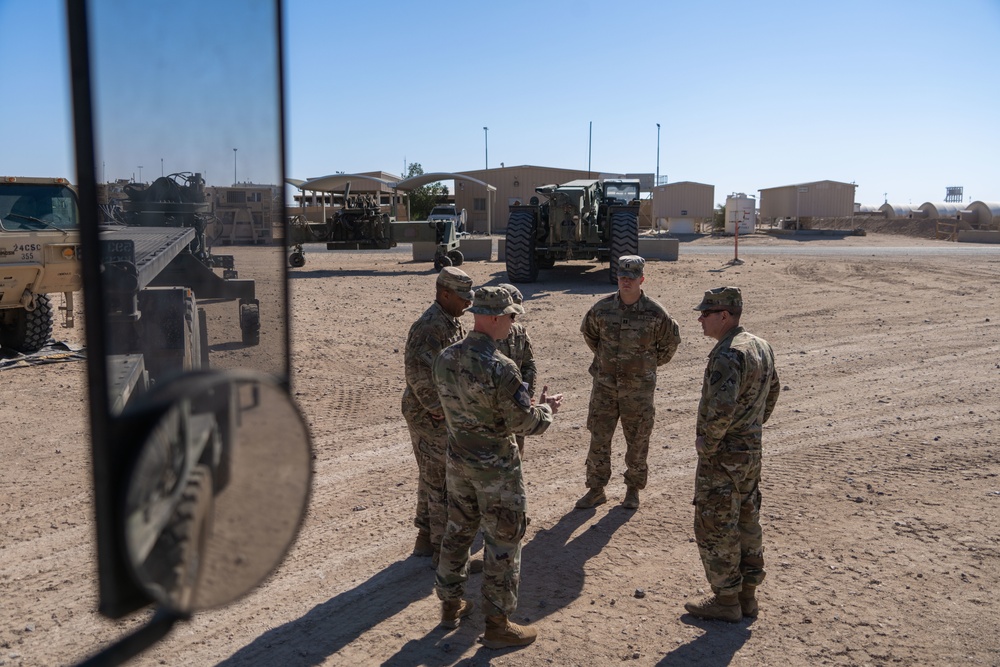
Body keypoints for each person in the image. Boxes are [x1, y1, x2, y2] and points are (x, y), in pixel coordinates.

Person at [432, 286, 563, 649]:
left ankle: (450, 604)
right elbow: (527, 424)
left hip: (459, 463)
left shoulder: (446, 358)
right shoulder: (501, 368)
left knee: (458, 533)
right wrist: (547, 408)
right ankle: (497, 623)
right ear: (492, 317)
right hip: (497, 474)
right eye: (510, 315)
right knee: (503, 540)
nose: (513, 322)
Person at [684, 286, 780, 622]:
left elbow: (721, 410)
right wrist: (750, 427)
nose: (700, 318)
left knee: (715, 525)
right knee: (747, 519)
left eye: (706, 313)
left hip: (722, 457)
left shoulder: (728, 354)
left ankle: (726, 601)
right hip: (750, 451)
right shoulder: (761, 346)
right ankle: (747, 597)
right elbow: (772, 396)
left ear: (724, 316)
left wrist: (707, 445)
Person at [575, 255, 681, 511]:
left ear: (641, 279)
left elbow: (669, 345)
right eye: (622, 277)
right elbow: (590, 336)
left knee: (637, 440)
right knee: (599, 438)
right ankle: (596, 489)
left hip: (638, 391)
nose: (626, 282)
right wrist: (606, 362)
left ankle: (632, 490)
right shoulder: (601, 309)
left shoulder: (656, 313)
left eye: (631, 278)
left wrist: (646, 367)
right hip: (604, 387)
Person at [402, 266, 474, 565]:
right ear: (444, 294)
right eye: (462, 297)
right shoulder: (430, 327)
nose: (468, 303)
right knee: (443, 481)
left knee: (431, 476)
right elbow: (417, 373)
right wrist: (438, 412)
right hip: (428, 414)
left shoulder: (449, 320)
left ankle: (424, 538)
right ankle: (444, 552)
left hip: (437, 411)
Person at [496, 283, 537, 454]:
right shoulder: (487, 334)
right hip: (495, 407)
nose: (514, 319)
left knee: (517, 453)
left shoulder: (520, 332)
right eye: (511, 313)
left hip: (517, 404)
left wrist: (527, 395)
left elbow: (529, 364)